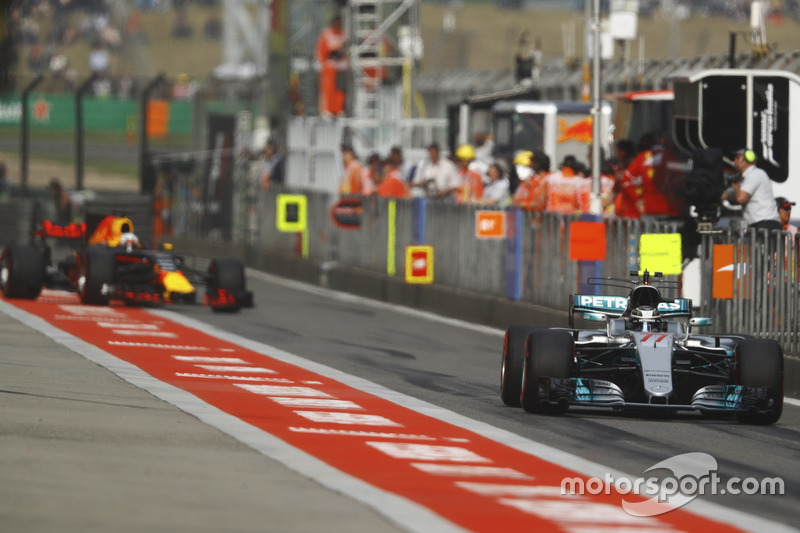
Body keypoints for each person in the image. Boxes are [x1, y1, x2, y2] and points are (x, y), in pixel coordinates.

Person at [721, 148, 781, 230]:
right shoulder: (744, 180)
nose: (735, 162)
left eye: (738, 158)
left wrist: (736, 187)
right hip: (758, 224)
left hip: (766, 225)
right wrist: (716, 196)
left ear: (749, 158)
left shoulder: (755, 174)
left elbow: (741, 198)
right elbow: (728, 194)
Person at [316, 15, 347, 117]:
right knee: (328, 90)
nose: (338, 24)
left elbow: (347, 50)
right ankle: (327, 110)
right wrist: (330, 56)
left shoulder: (344, 34)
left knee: (340, 90)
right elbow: (321, 51)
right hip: (330, 68)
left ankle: (339, 109)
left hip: (341, 67)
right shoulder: (327, 34)